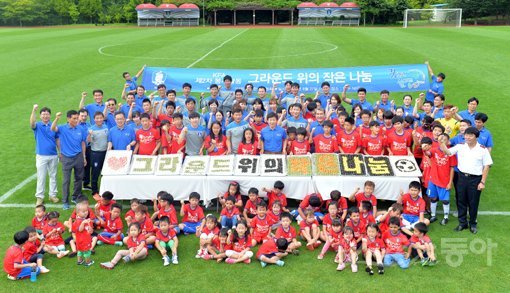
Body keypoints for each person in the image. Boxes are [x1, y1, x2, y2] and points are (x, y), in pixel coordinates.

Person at [439, 127, 493, 234]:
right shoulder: (460, 146)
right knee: (461, 201)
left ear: (476, 137)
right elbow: (447, 152)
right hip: (462, 177)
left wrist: (482, 182)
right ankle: (462, 223)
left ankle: (473, 223)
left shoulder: (483, 150)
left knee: (473, 202)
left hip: (475, 179)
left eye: (470, 135)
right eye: (466, 135)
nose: (467, 137)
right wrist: (441, 142)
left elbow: (487, 166)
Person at [51, 110, 87, 210]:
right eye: (74, 118)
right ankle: (65, 201)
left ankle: (75, 197)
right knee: (66, 181)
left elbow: (83, 143)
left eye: (77, 118)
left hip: (79, 156)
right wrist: (57, 118)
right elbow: (53, 128)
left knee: (79, 179)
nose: (76, 120)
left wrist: (84, 156)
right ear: (68, 119)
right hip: (67, 158)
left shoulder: (80, 128)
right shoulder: (62, 128)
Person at [423, 134, 457, 225]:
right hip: (433, 179)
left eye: (444, 139)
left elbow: (452, 168)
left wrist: (450, 182)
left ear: (448, 141)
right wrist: (425, 149)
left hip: (444, 181)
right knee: (433, 198)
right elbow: (428, 154)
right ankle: (433, 215)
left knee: (445, 200)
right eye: (440, 139)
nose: (442, 141)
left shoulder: (450, 153)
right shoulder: (434, 150)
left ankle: (446, 217)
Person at [30, 105, 59, 206]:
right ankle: (40, 197)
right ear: (40, 116)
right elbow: (32, 122)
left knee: (53, 176)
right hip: (41, 155)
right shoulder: (37, 126)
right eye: (43, 114)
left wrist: (60, 152)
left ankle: (53, 195)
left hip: (53, 155)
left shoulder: (53, 126)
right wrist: (34, 110)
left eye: (47, 114)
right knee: (41, 177)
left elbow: (57, 139)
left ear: (50, 115)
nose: (45, 116)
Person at [87, 112, 108, 195]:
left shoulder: (106, 127)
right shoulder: (91, 129)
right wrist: (89, 134)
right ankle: (95, 191)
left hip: (106, 153)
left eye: (100, 118)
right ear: (94, 119)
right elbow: (89, 141)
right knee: (95, 173)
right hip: (96, 154)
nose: (99, 120)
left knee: (105, 172)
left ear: (103, 118)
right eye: (97, 118)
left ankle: (105, 190)